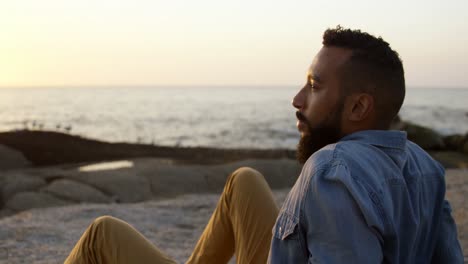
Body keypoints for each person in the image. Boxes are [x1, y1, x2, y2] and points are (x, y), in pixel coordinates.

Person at [64, 26, 464, 264]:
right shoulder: (425, 167)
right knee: (244, 179)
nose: (297, 99)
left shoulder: (332, 169)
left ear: (359, 106)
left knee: (103, 233)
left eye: (314, 86)